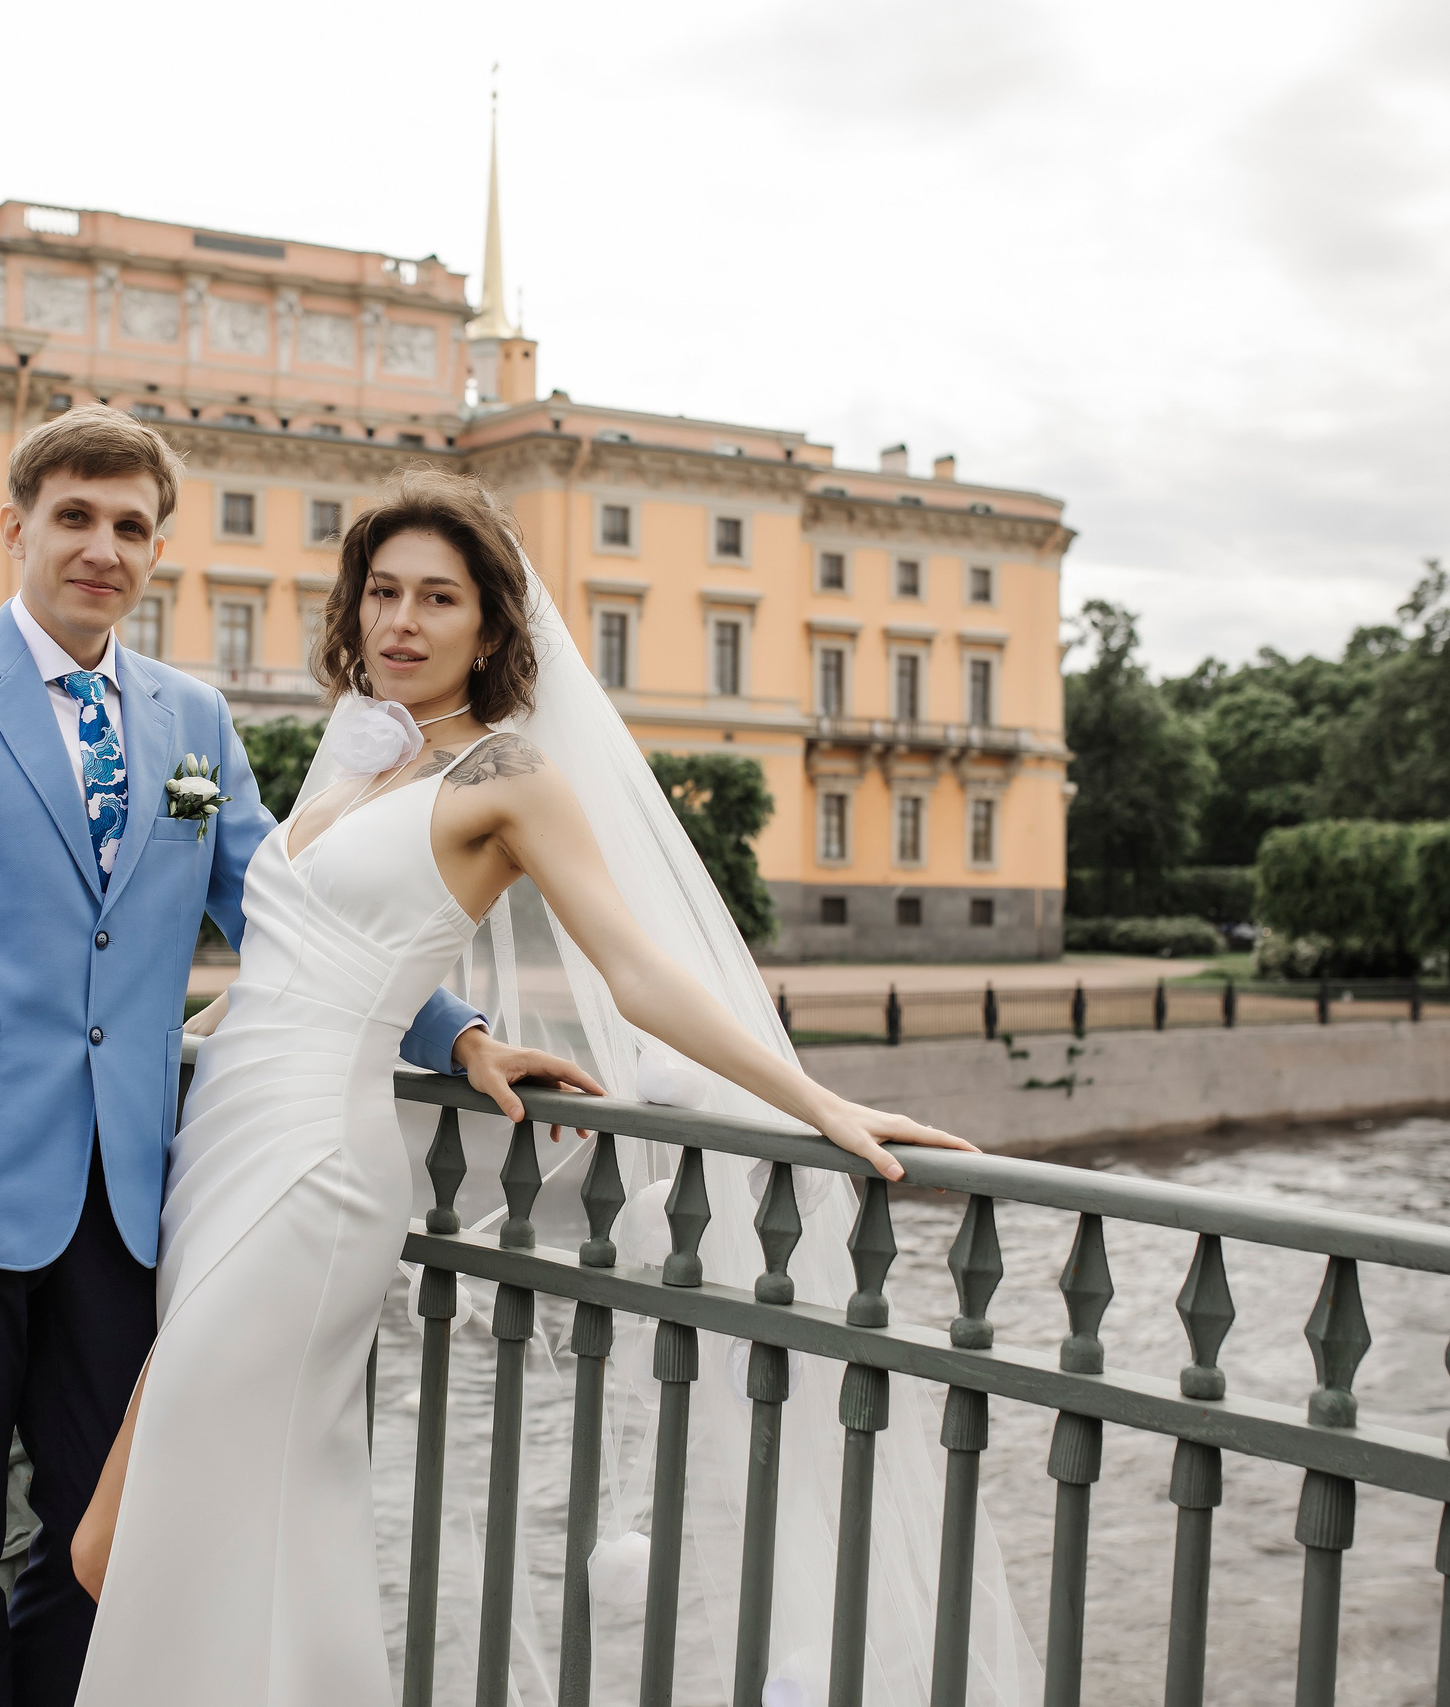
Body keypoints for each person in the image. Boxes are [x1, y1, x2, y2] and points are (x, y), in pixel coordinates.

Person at [70, 467, 1006, 1706]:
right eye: (381, 594)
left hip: (309, 1171)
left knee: (121, 1535)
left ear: (491, 627)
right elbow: (296, 956)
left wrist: (808, 1101)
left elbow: (635, 969)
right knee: (239, 1520)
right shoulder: (356, 760)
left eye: (437, 599)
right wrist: (446, 1038)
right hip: (223, 1145)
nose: (399, 622)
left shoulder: (505, 778)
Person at [0, 410, 592, 1707]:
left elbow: (288, 909)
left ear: (158, 549)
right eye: (74, 516)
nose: (101, 547)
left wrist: (453, 1028)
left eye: (129, 526)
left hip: (131, 1198)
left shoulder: (191, 717)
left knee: (96, 1547)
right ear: (17, 527)